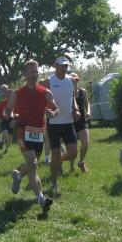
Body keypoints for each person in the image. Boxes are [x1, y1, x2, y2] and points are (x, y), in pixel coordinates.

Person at [6, 60, 59, 211]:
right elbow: (7, 110)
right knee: (33, 164)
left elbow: (56, 109)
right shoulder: (17, 93)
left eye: (36, 71)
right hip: (23, 131)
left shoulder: (45, 92)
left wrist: (52, 113)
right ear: (25, 73)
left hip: (38, 132)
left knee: (31, 164)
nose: (35, 74)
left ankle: (18, 176)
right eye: (32, 71)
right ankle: (41, 199)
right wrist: (12, 116)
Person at [47, 57, 79, 195]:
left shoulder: (71, 80)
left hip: (68, 122)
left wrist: (76, 109)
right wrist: (46, 111)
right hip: (54, 123)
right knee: (54, 154)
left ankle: (57, 162)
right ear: (55, 66)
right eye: (61, 65)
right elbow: (42, 98)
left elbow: (72, 98)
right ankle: (54, 184)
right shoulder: (49, 81)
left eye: (66, 66)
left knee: (73, 153)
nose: (64, 68)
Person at [66, 73, 91, 172]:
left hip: (81, 121)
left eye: (76, 80)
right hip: (70, 122)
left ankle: (81, 162)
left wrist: (88, 111)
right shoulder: (66, 92)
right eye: (72, 80)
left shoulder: (82, 91)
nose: (74, 81)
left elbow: (87, 104)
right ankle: (71, 167)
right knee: (72, 147)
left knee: (85, 143)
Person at [0, 89, 14, 154]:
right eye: (8, 95)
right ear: (6, 95)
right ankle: (1, 141)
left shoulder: (15, 103)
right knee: (5, 132)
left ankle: (6, 149)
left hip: (12, 121)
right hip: (4, 120)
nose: (9, 97)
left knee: (10, 138)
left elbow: (18, 112)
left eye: (11, 96)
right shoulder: (2, 103)